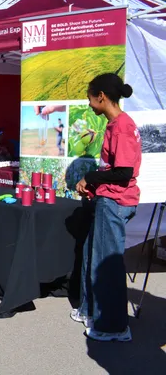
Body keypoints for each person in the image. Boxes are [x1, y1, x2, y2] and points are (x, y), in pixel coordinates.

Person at [73, 73, 141, 343]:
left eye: (90, 98)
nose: (89, 104)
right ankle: (91, 311)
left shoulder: (122, 126)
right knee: (93, 255)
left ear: (100, 96)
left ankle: (113, 326)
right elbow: (113, 168)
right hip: (107, 199)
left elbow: (123, 172)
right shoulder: (115, 125)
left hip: (115, 201)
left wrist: (90, 178)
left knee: (107, 265)